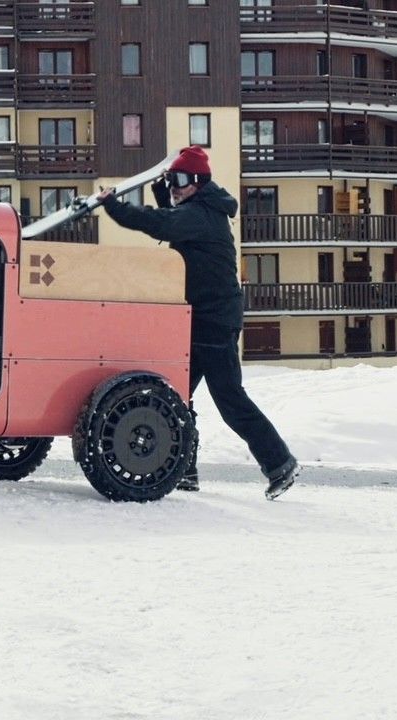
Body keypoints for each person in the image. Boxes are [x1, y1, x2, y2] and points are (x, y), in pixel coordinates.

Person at [97, 146, 299, 500]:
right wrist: (163, 192)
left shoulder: (203, 215)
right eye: (171, 180)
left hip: (215, 322)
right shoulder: (199, 210)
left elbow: (161, 224)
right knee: (176, 395)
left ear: (197, 182)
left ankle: (280, 463)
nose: (174, 187)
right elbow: (173, 223)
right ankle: (184, 470)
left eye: (178, 181)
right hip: (199, 320)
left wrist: (114, 206)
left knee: (230, 400)